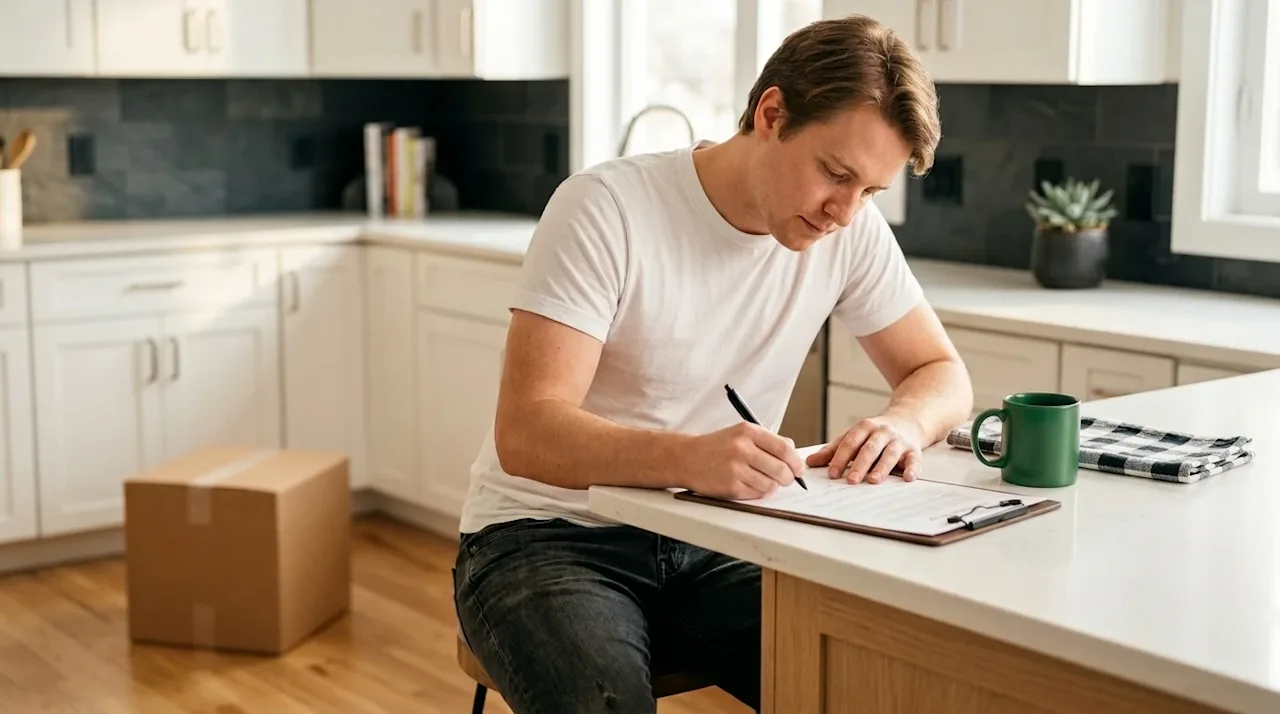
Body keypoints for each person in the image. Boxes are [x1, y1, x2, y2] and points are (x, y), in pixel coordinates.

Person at [452, 13, 973, 714]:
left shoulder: (848, 234)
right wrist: (690, 460)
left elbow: (941, 373)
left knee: (871, 684)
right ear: (771, 112)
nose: (844, 213)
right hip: (546, 539)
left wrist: (904, 425)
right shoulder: (606, 209)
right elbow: (528, 433)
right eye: (835, 173)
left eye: (870, 192)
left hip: (718, 539)